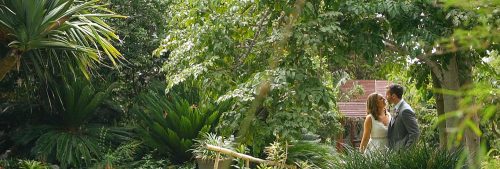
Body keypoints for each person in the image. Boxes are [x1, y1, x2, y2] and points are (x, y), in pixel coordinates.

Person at [386, 84, 420, 150]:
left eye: (387, 95)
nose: (386, 97)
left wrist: (406, 152)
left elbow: (415, 133)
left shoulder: (405, 110)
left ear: (393, 96)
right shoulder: (397, 107)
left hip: (401, 153)